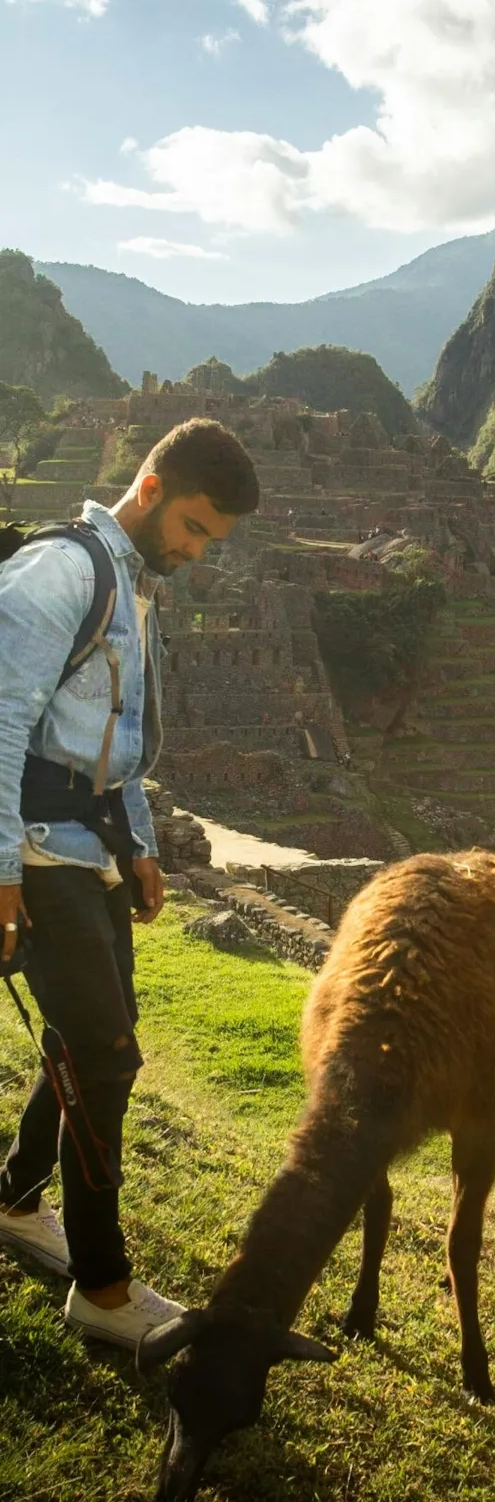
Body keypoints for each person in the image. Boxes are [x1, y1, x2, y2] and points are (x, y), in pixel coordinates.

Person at [0, 419, 260, 1348]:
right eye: (192, 528)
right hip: (37, 850)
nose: (195, 552)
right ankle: (101, 1290)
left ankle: (15, 1199)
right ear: (150, 489)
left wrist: (141, 845)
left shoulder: (135, 587)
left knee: (93, 1039)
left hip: (92, 844)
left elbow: (116, 747)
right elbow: (1, 721)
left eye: (209, 541)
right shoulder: (62, 573)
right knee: (107, 1060)